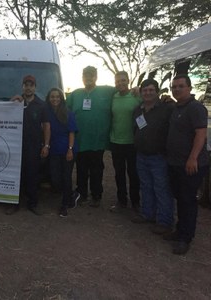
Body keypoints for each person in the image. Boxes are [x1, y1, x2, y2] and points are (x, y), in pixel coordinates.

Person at [164, 74, 208, 255]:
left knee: (188, 200)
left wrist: (193, 158)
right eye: (174, 87)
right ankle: (180, 230)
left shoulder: (196, 108)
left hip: (191, 163)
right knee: (180, 198)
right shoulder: (176, 107)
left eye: (181, 86)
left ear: (189, 88)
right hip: (175, 162)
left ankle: (185, 238)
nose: (177, 89)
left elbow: (201, 134)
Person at [66, 66, 116, 207]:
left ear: (96, 77)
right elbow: (64, 110)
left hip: (97, 141)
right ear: (82, 77)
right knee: (81, 169)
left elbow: (124, 91)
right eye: (86, 75)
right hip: (80, 140)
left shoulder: (106, 91)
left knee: (96, 170)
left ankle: (96, 196)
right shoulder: (75, 94)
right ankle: (81, 194)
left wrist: (136, 90)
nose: (88, 78)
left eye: (91, 75)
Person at [131, 79, 175, 235]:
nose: (148, 93)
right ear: (141, 92)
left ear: (157, 92)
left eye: (151, 90)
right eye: (145, 90)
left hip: (159, 157)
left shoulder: (167, 108)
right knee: (146, 186)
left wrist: (172, 99)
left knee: (162, 189)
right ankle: (147, 214)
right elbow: (135, 129)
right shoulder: (138, 110)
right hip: (141, 156)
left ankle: (164, 222)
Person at [6, 75, 50, 215]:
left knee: (33, 175)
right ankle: (14, 203)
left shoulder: (41, 105)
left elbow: (47, 126)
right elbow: (4, 115)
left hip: (34, 146)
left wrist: (46, 145)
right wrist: (10, 102)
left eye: (31, 85)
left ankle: (32, 203)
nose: (28, 87)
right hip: (16, 145)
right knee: (16, 174)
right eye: (26, 85)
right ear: (22, 87)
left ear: (35, 87)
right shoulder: (17, 102)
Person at [109, 71, 141, 213]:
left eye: (123, 80)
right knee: (119, 173)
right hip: (116, 142)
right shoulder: (113, 97)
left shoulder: (136, 96)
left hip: (132, 142)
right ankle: (122, 201)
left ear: (128, 81)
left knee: (133, 174)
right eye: (117, 81)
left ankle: (135, 202)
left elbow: (152, 103)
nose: (120, 83)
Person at [45, 88, 79, 217]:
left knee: (66, 177)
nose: (55, 99)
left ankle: (64, 205)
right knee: (55, 178)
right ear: (49, 98)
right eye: (52, 97)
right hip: (54, 150)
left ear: (61, 98)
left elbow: (72, 132)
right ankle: (72, 195)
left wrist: (70, 149)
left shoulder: (68, 113)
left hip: (67, 150)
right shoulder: (47, 113)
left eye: (57, 96)